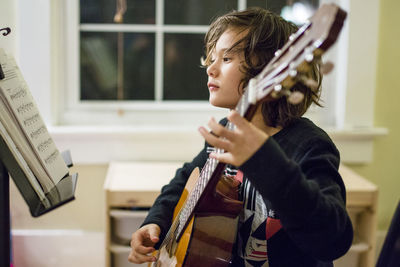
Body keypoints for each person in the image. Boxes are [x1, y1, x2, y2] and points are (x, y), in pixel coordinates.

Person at [128, 7, 353, 267]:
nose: (210, 69)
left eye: (226, 58)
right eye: (211, 58)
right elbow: (186, 179)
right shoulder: (225, 131)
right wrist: (156, 220)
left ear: (269, 70)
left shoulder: (309, 145)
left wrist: (264, 160)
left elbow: (334, 240)